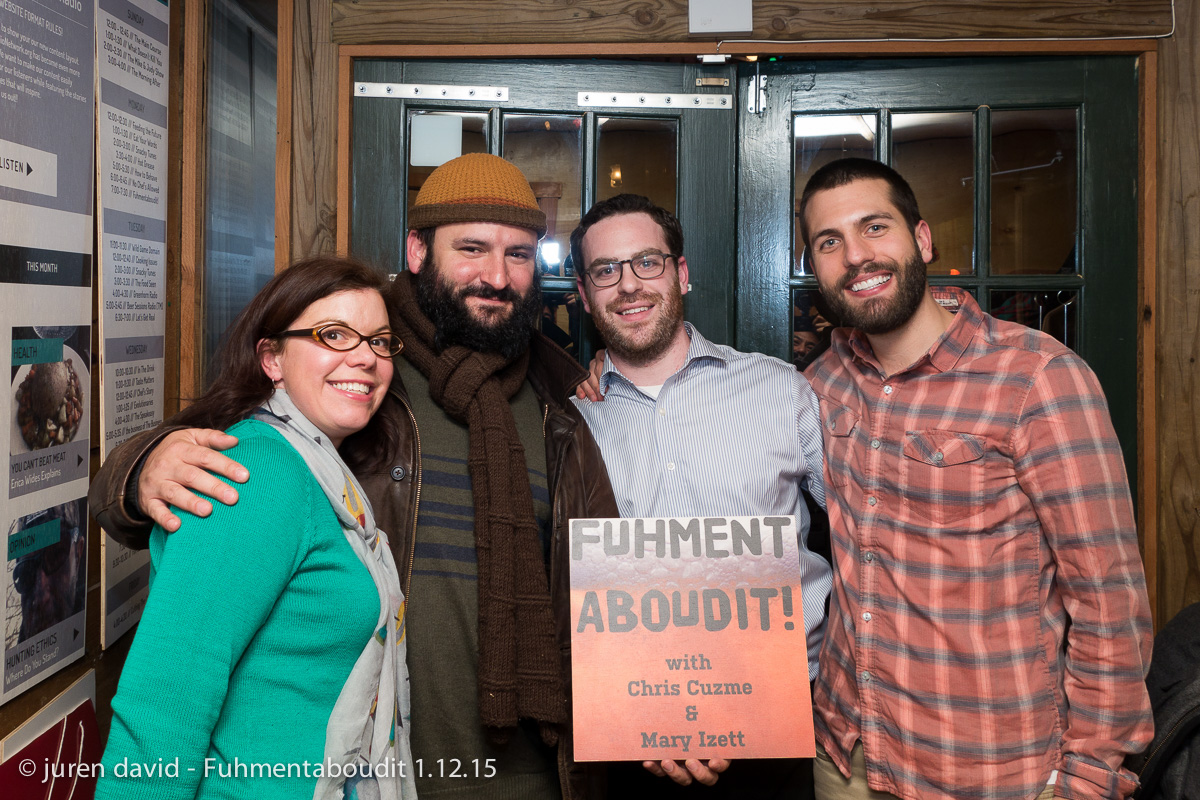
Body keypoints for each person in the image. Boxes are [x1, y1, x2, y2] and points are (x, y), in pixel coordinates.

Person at [90, 154, 709, 798]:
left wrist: (668, 709)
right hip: (379, 771)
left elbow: (606, 602)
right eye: (471, 248)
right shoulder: (353, 373)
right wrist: (143, 469)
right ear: (417, 250)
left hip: (538, 776)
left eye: (519, 254)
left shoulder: (563, 402)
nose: (497, 276)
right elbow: (226, 455)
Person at [796, 157, 1153, 800]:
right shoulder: (823, 381)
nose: (856, 256)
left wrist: (1091, 772)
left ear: (922, 239)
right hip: (846, 755)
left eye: (874, 227)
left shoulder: (1038, 377)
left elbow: (1108, 597)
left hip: (988, 769)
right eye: (829, 242)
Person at [95, 256, 416, 800]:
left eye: (379, 342)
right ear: (272, 359)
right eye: (333, 334)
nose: (365, 357)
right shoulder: (257, 470)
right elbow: (165, 701)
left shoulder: (324, 470)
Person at [569, 193, 831, 798]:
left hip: (780, 717)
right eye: (605, 271)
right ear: (583, 294)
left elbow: (865, 532)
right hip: (625, 732)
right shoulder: (569, 416)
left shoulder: (778, 389)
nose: (628, 285)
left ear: (681, 273)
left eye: (647, 262)